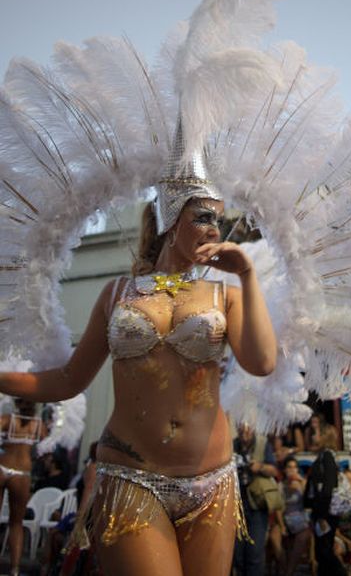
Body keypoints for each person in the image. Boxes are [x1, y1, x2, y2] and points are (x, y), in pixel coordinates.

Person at [0, 168, 278, 576]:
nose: (213, 228)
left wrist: (248, 275)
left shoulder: (227, 295)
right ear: (168, 216)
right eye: (202, 216)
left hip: (212, 482)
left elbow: (262, 362)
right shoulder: (117, 293)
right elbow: (67, 380)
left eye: (217, 219)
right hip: (132, 478)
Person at [0, 397, 46, 576]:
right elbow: (46, 449)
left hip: (2, 467)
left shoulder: (6, 419)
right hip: (22, 473)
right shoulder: (38, 426)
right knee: (16, 523)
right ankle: (15, 569)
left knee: (15, 523)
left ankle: (15, 569)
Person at [233, 423, 278, 576]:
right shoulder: (232, 445)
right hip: (236, 503)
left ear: (253, 428)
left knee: (255, 552)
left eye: (248, 427)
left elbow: (274, 470)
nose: (245, 431)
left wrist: (260, 467)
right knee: (237, 554)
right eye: (241, 428)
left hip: (257, 503)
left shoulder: (262, 443)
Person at [304, 425, 347, 576]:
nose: (312, 437)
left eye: (316, 434)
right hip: (321, 511)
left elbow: (328, 486)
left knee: (325, 552)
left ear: (324, 437)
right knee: (321, 552)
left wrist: (322, 515)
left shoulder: (327, 456)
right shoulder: (322, 456)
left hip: (326, 513)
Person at [269, 455, 312, 576]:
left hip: (300, 518)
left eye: (295, 467)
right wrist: (282, 526)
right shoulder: (281, 485)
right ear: (285, 470)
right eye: (289, 467)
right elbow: (278, 509)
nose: (292, 470)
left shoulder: (304, 482)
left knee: (303, 536)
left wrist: (301, 486)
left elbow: (309, 504)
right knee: (274, 536)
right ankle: (285, 567)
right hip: (285, 518)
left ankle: (289, 571)